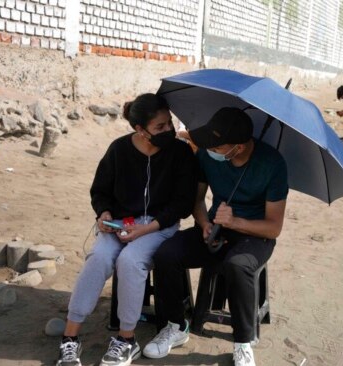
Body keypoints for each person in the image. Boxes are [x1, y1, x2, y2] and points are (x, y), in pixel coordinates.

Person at [56, 93, 198, 366]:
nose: (169, 130)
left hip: (159, 226)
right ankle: (70, 338)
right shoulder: (119, 150)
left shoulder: (181, 153)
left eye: (169, 123)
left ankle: (126, 340)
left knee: (130, 260)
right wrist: (104, 213)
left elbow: (182, 205)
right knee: (98, 258)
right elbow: (100, 192)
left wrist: (145, 230)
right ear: (140, 130)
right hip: (119, 225)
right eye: (161, 127)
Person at [144, 107, 288, 366]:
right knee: (166, 253)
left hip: (256, 236)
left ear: (239, 148)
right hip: (216, 228)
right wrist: (204, 223)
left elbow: (273, 227)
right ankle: (176, 326)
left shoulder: (273, 164)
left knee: (237, 265)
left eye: (218, 147)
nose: (211, 150)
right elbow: (197, 200)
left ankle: (243, 342)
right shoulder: (209, 156)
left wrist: (236, 221)